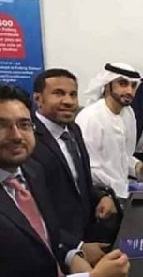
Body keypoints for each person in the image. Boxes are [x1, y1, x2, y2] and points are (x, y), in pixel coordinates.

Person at [0, 84, 130, 277]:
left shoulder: (30, 172)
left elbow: (47, 236)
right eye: (2, 126)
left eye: (24, 124)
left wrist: (73, 255)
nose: (16, 136)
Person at [31, 69, 120, 259]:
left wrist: (102, 196)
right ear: (38, 99)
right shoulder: (28, 141)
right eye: (58, 93)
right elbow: (33, 212)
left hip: (88, 232)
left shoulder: (73, 130)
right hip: (58, 249)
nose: (69, 101)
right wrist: (77, 247)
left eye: (73, 94)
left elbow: (78, 183)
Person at [76, 63, 143, 200]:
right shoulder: (91, 118)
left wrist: (138, 167)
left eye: (133, 86)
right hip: (103, 196)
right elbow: (90, 170)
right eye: (123, 84)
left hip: (126, 186)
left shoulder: (128, 113)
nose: (130, 91)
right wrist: (125, 190)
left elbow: (125, 155)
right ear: (107, 86)